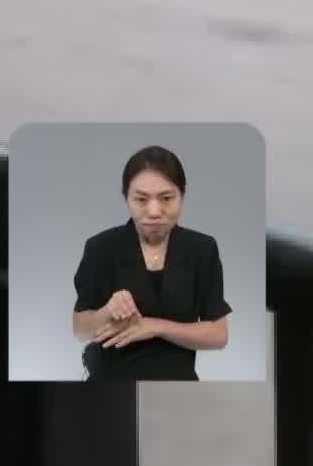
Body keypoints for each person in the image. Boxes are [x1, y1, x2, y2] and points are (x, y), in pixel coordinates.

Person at [71, 145, 231, 380]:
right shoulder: (101, 247)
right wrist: (107, 311)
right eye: (141, 199)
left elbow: (219, 335)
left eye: (166, 198)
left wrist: (154, 326)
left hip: (179, 385)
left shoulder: (202, 249)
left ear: (182, 197)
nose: (154, 211)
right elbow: (80, 329)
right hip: (110, 383)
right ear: (126, 198)